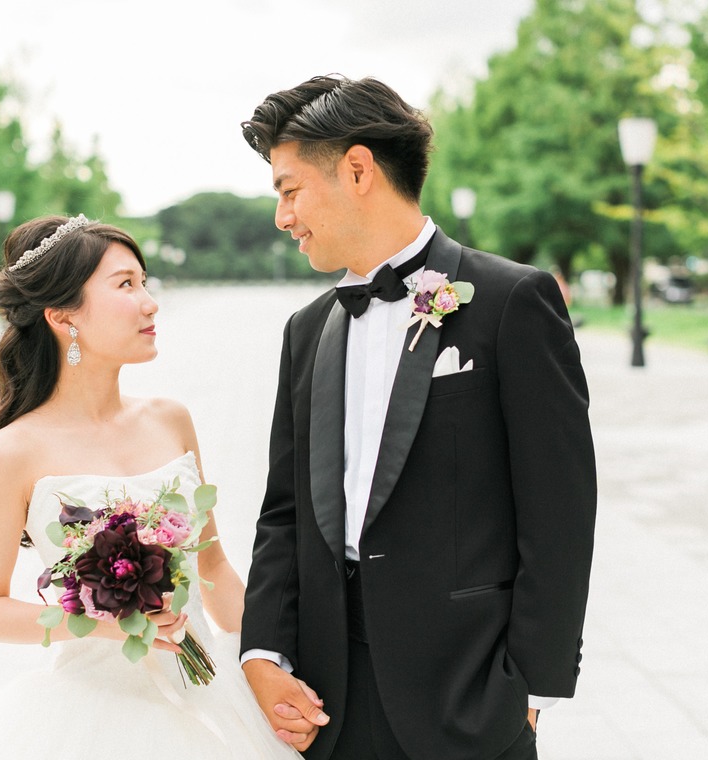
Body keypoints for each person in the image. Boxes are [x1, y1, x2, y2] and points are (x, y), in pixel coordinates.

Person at [238, 76, 597, 760]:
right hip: (327, 702)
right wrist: (264, 651)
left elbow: (560, 509)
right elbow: (283, 514)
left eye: (289, 190)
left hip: (468, 700)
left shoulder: (511, 301)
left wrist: (530, 687)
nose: (282, 217)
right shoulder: (306, 330)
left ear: (358, 169)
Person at [0, 215, 300, 759]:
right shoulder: (11, 453)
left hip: (207, 690)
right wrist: (105, 623)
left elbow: (214, 568)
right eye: (126, 285)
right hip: (94, 711)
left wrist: (264, 666)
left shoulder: (170, 419)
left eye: (145, 281)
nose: (150, 302)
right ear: (62, 316)